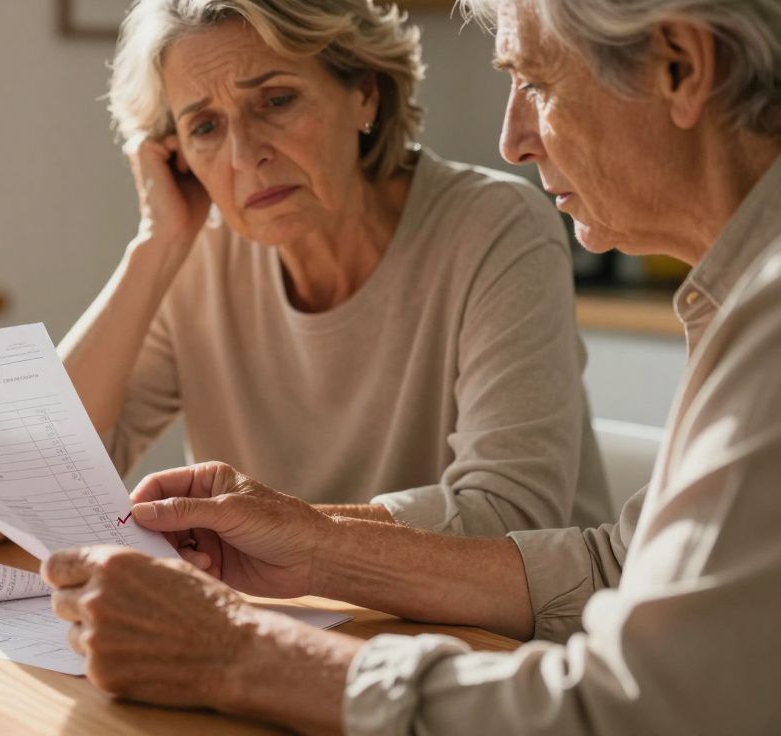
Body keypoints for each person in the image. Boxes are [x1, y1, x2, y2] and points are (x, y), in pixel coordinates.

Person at [43, 0, 781, 732]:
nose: (512, 141)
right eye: (204, 126)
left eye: (537, 84)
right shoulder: (735, 298)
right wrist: (316, 544)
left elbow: (631, 704)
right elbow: (614, 563)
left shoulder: (760, 314)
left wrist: (235, 649)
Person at [0, 0, 610, 550]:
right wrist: (157, 243)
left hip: (502, 650)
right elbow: (52, 481)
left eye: (276, 101)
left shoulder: (494, 226)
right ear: (175, 155)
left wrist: (271, 531)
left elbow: (511, 516)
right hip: (295, 631)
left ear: (364, 93)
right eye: (204, 126)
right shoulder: (199, 256)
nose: (245, 154)